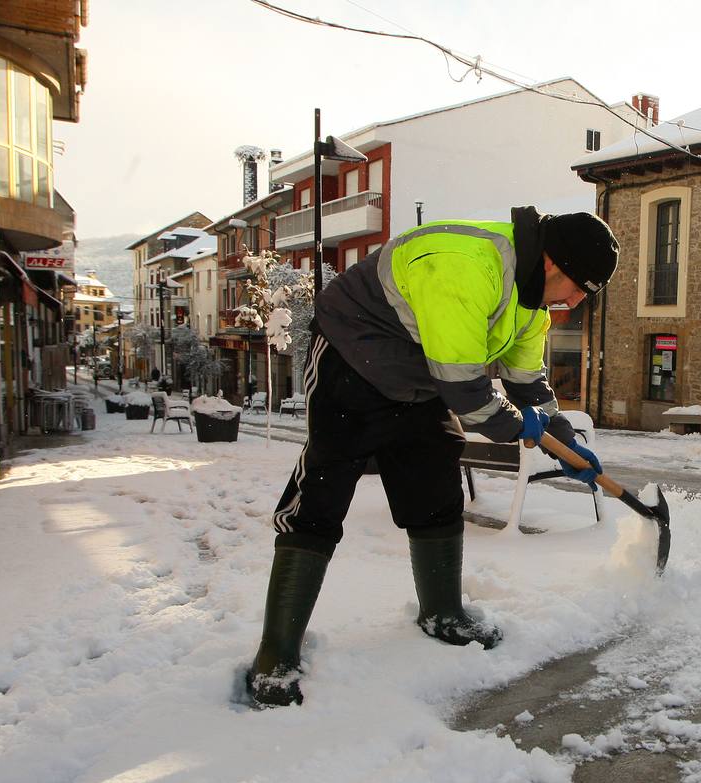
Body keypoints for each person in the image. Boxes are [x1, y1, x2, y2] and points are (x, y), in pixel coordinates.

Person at [246, 208, 618, 707]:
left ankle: (442, 612)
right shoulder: (465, 264)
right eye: (578, 287)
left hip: (423, 374)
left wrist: (559, 432)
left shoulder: (530, 299)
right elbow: (467, 390)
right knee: (323, 489)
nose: (574, 302)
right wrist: (514, 425)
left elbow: (527, 380)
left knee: (436, 480)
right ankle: (277, 652)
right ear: (552, 261)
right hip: (353, 356)